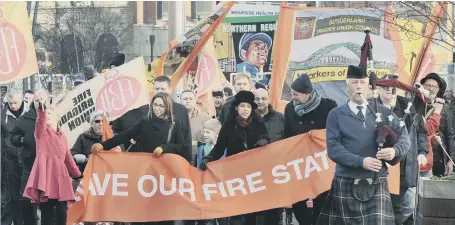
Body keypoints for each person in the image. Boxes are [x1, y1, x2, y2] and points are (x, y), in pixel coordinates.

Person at [316, 65, 411, 225]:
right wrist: (362, 161)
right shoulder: (336, 115)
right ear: (347, 87)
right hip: (346, 179)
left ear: (369, 86)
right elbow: (334, 149)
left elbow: (405, 138)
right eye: (354, 82)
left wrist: (394, 151)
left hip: (376, 181)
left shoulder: (383, 113)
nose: (358, 86)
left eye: (362, 82)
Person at [91, 92, 186, 225]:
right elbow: (125, 135)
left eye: (161, 106)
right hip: (146, 173)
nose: (157, 108)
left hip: (165, 174)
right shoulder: (145, 121)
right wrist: (103, 145)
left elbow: (180, 146)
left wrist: (164, 148)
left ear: (168, 107)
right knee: (143, 212)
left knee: (163, 213)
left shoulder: (175, 124)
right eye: (155, 105)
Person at [199, 90, 269, 225]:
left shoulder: (259, 124)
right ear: (237, 107)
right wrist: (208, 158)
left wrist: (265, 140)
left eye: (248, 106)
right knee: (235, 213)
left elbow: (266, 143)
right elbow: (219, 148)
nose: (245, 109)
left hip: (253, 176)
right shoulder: (228, 126)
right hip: (234, 175)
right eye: (243, 106)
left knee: (252, 213)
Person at [373, 75, 429, 225]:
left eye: (392, 87)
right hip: (379, 168)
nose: (389, 90)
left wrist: (422, 152)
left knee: (406, 207)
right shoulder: (371, 108)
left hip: (405, 166)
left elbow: (421, 132)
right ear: (378, 89)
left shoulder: (409, 106)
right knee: (381, 208)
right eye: (384, 87)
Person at [282, 74, 337, 225]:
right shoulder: (289, 109)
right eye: (291, 94)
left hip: (322, 162)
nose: (292, 98)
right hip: (300, 162)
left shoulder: (328, 107)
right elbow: (286, 136)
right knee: (298, 200)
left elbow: (336, 133)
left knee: (322, 198)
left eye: (296, 95)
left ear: (308, 94)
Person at [23, 101, 82, 225]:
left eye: (50, 113)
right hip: (47, 178)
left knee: (62, 212)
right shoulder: (41, 133)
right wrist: (41, 110)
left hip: (61, 177)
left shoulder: (62, 136)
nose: (47, 115)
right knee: (47, 213)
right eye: (46, 113)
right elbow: (40, 123)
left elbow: (68, 157)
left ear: (57, 117)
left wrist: (77, 173)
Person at [10, 88, 50, 225]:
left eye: (42, 99)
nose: (40, 102)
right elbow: (12, 137)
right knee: (27, 200)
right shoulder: (24, 118)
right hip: (29, 164)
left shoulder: (53, 116)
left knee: (48, 200)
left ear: (48, 99)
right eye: (37, 100)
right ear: (33, 102)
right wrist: (22, 139)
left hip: (49, 166)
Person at [253, 88, 285, 225]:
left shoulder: (280, 118)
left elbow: (288, 142)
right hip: (254, 175)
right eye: (257, 99)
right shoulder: (246, 119)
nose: (261, 102)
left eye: (264, 98)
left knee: (274, 212)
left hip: (275, 173)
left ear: (269, 99)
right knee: (255, 212)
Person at [413, 73, 455, 177]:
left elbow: (450, 134)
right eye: (428, 85)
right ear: (422, 86)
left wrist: (451, 159)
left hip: (439, 156)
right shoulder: (414, 104)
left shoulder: (444, 108)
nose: (431, 89)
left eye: (434, 86)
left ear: (438, 89)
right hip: (417, 156)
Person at [1, 89, 29, 225]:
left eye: (16, 103)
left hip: (28, 159)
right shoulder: (2, 116)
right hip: (10, 160)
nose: (13, 106)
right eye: (10, 103)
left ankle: (28, 221)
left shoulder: (30, 113)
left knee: (26, 195)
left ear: (22, 99)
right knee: (11, 196)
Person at [153, 76, 192, 163]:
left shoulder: (181, 110)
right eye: (157, 89)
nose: (159, 91)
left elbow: (186, 137)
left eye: (163, 89)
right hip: (152, 160)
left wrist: (188, 163)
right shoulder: (148, 109)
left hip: (174, 161)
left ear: (170, 90)